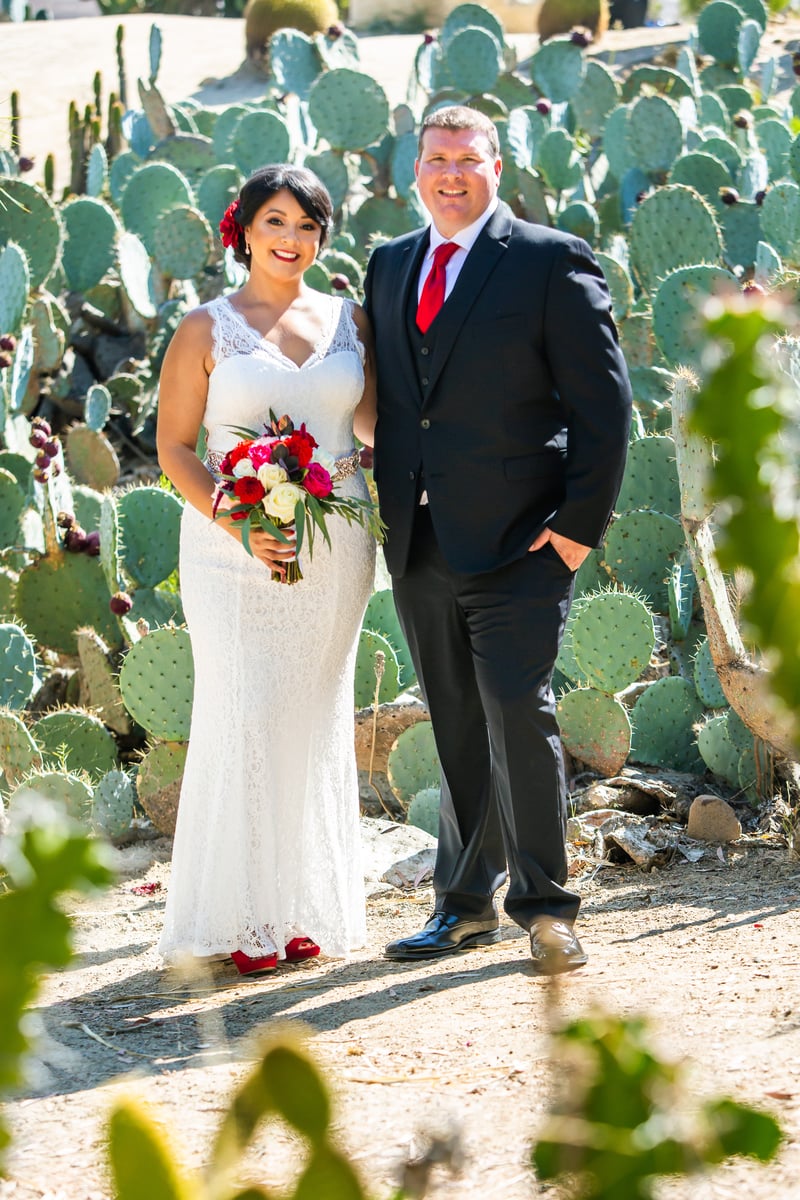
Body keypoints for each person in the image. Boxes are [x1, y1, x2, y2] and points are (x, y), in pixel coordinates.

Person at [363, 106, 632, 974]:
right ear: (415, 170)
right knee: (453, 723)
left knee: (519, 712)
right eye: (436, 159)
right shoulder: (390, 264)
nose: (451, 174)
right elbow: (397, 403)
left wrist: (576, 533)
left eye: (467, 159)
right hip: (420, 541)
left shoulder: (552, 260)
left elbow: (605, 408)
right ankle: (463, 905)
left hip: (524, 542)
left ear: (496, 166)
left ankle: (547, 911)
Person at [156, 164, 377, 974]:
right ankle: (240, 919)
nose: (291, 239)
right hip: (230, 549)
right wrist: (238, 522)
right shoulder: (204, 328)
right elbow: (174, 447)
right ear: (244, 231)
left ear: (323, 237)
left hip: (337, 546)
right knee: (245, 712)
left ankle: (300, 907)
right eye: (275, 222)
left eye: (307, 225)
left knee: (313, 716)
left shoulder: (351, 320)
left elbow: (376, 428)